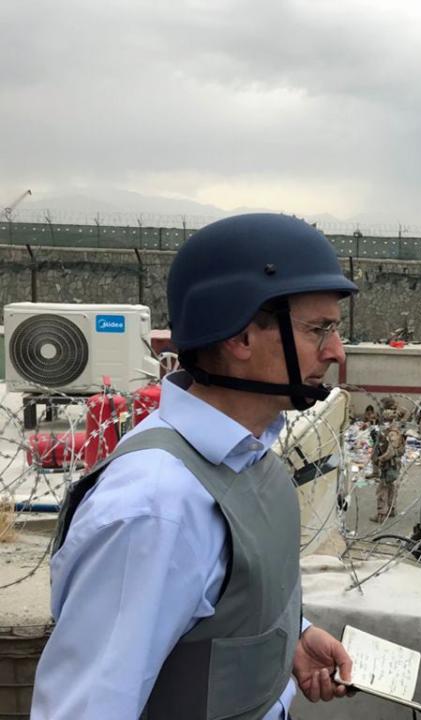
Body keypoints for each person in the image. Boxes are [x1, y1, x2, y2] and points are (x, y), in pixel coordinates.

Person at [34, 214, 356, 719]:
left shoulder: (248, 459)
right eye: (319, 330)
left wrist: (290, 638)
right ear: (241, 338)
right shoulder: (155, 507)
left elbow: (212, 605)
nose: (335, 351)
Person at [369, 418, 404, 523]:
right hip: (394, 466)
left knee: (382, 490)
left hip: (389, 466)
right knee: (391, 488)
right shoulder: (398, 435)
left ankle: (381, 514)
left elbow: (390, 452)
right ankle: (391, 509)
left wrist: (380, 459)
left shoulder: (392, 436)